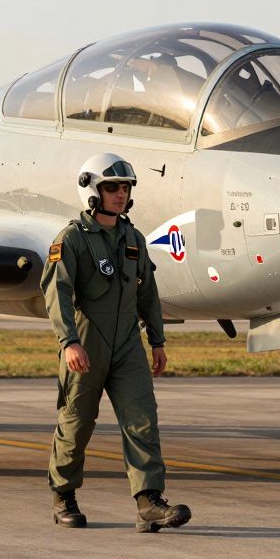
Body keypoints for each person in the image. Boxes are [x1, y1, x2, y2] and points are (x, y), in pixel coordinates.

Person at [41, 154, 191, 533]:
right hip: (86, 343)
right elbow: (57, 292)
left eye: (124, 187)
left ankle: (149, 502)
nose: (120, 194)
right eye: (112, 187)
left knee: (142, 420)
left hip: (127, 344)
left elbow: (148, 293)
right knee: (76, 423)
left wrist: (157, 340)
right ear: (92, 190)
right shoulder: (71, 239)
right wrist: (69, 342)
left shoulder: (133, 239)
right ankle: (63, 496)